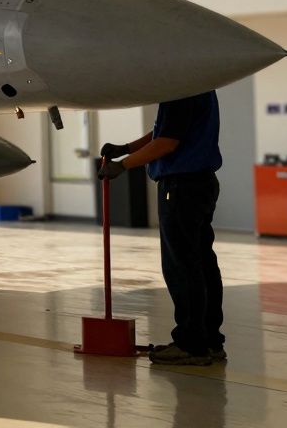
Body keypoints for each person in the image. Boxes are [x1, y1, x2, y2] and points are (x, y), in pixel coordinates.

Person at [100, 90, 224, 366]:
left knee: (183, 267)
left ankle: (191, 345)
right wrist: (127, 148)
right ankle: (210, 340)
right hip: (200, 183)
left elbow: (167, 143)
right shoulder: (202, 85)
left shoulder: (179, 91)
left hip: (180, 187)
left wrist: (124, 165)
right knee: (203, 263)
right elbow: (163, 132)